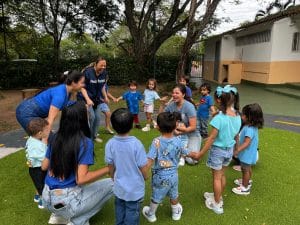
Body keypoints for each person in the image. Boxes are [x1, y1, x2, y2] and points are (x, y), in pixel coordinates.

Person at [42, 101, 113, 225]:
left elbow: (44, 166)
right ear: (82, 118)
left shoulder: (54, 137)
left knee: (79, 188)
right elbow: (81, 179)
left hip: (46, 198)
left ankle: (60, 216)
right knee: (113, 183)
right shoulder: (85, 142)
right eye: (86, 112)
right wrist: (108, 169)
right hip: (66, 200)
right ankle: (76, 221)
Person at [190, 85, 241, 214]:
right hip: (229, 150)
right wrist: (236, 149)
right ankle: (217, 196)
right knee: (221, 175)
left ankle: (217, 204)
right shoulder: (238, 116)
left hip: (218, 151)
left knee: (217, 178)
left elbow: (212, 138)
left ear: (220, 100)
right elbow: (235, 135)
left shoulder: (219, 118)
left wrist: (200, 154)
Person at [142, 112, 191, 222]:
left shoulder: (156, 142)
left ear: (157, 127)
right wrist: (195, 154)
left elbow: (149, 160)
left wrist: (144, 173)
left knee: (156, 195)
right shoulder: (178, 140)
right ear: (175, 126)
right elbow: (186, 152)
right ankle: (175, 213)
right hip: (174, 175)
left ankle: (151, 214)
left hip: (159, 176)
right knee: (174, 194)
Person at [105, 108, 149, 225]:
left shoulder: (110, 143)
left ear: (113, 126)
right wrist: (145, 176)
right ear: (131, 125)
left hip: (119, 185)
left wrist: (112, 176)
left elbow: (110, 165)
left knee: (119, 207)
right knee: (132, 210)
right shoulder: (136, 144)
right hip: (134, 188)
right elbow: (142, 166)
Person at [16, 70, 85, 141]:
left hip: (31, 111)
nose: (84, 85)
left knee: (48, 139)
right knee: (40, 141)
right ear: (73, 83)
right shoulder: (60, 95)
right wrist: (45, 140)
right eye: (82, 83)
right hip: (25, 113)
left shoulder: (67, 91)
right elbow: (50, 119)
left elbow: (65, 104)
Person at [162, 84, 201, 165]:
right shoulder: (171, 105)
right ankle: (180, 152)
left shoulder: (189, 106)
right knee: (167, 153)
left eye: (177, 93)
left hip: (192, 134)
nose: (174, 95)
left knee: (192, 161)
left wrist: (182, 130)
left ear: (183, 94)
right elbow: (161, 118)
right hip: (177, 134)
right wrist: (162, 104)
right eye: (173, 93)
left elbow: (193, 127)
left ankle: (188, 148)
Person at [232, 103, 264, 195]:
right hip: (249, 153)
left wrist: (237, 150)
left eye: (244, 115)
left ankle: (244, 188)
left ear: (250, 117)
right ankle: (247, 181)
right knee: (247, 168)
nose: (242, 116)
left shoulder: (249, 129)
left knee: (245, 169)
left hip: (247, 153)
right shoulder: (251, 127)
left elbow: (246, 143)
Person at [80, 57, 109, 143]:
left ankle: (94, 136)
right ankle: (88, 137)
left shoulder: (104, 73)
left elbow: (102, 86)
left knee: (98, 118)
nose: (103, 67)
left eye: (105, 66)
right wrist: (88, 99)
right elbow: (82, 87)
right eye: (101, 65)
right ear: (96, 65)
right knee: (91, 117)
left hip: (97, 99)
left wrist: (105, 97)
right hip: (86, 99)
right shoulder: (87, 73)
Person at [25, 118, 48, 209]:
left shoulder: (31, 139)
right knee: (42, 185)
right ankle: (43, 202)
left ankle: (37, 196)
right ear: (39, 133)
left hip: (33, 168)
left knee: (38, 183)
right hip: (39, 169)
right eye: (46, 130)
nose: (48, 131)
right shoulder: (38, 146)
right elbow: (45, 159)